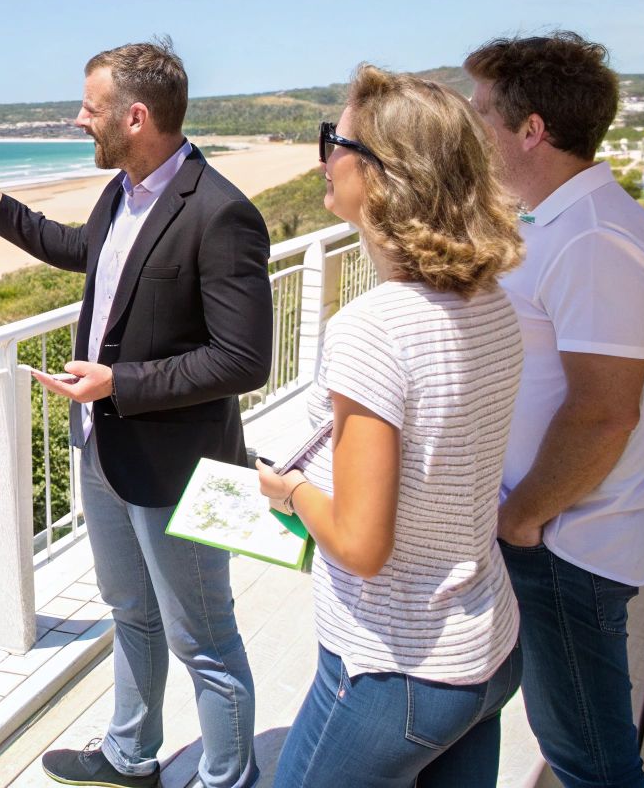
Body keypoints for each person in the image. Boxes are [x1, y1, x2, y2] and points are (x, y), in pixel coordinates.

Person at [0, 38, 269, 788]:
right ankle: (131, 755)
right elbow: (84, 250)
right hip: (106, 453)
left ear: (136, 116)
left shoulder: (222, 215)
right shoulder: (122, 190)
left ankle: (228, 779)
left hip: (188, 468)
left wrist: (122, 382)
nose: (79, 119)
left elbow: (245, 360)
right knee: (132, 614)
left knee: (204, 638)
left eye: (91, 108)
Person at [255, 65, 527, 787]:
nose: (323, 158)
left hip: (394, 668)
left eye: (333, 141)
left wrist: (289, 493)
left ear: (380, 177)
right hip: (487, 643)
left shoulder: (375, 330)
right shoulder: (492, 301)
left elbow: (360, 546)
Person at [464, 32, 644, 788]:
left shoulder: (595, 241)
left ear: (532, 129)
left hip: (565, 544)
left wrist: (523, 520)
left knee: (589, 758)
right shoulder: (561, 224)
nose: (473, 125)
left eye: (483, 112)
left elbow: (603, 414)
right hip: (548, 531)